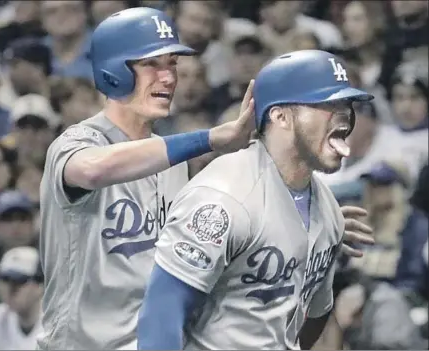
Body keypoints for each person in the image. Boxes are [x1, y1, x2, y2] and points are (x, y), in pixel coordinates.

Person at [37, 7, 255, 350]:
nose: (168, 78)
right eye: (152, 64)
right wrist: (208, 139)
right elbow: (92, 170)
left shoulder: (171, 159)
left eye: (173, 65)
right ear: (114, 72)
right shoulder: (78, 142)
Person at [137, 50, 375, 350]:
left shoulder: (326, 209)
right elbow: (161, 319)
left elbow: (317, 324)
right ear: (281, 116)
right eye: (328, 104)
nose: (344, 115)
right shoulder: (223, 197)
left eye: (347, 104)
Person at [0, 246, 44, 350]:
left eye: (19, 281)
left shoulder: (56, 325)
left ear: (40, 286)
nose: (10, 289)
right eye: (6, 280)